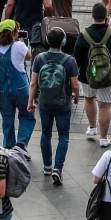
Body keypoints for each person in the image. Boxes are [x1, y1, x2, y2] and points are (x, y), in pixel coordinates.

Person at [29, 26, 81, 186]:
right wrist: (76, 98)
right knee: (63, 136)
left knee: (45, 133)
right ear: (63, 42)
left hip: (45, 102)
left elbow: (33, 84)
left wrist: (30, 102)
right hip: (63, 102)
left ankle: (47, 166)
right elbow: (75, 85)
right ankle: (57, 168)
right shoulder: (69, 60)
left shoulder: (39, 59)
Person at [74, 2, 111, 144]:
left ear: (92, 16)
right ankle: (103, 138)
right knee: (105, 105)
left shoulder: (84, 34)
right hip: (109, 76)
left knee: (89, 98)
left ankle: (92, 127)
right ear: (106, 16)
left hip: (87, 75)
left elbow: (76, 56)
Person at [0, 20, 34, 150]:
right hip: (21, 87)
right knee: (27, 115)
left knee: (7, 118)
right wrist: (21, 42)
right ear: (14, 32)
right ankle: (21, 143)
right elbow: (29, 57)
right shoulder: (19, 46)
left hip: (4, 90)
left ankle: (9, 145)